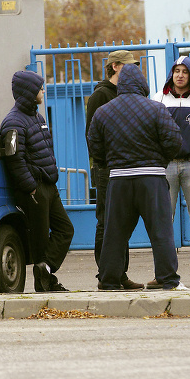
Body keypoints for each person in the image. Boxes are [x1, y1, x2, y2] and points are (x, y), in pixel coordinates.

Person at [87, 64, 187, 291]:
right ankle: (168, 279)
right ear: (142, 84)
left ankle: (109, 280)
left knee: (115, 233)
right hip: (151, 179)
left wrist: (109, 164)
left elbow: (94, 145)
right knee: (161, 231)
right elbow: (174, 141)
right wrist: (159, 162)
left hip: (119, 179)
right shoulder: (156, 109)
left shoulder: (103, 111)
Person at [0, 69, 74, 292]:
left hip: (49, 186)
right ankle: (45, 284)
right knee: (40, 240)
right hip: (35, 189)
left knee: (65, 230)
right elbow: (14, 160)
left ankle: (46, 269)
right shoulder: (13, 122)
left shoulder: (37, 117)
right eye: (39, 87)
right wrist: (31, 188)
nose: (43, 90)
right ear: (29, 92)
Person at [152, 55, 190, 287]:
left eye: (184, 71)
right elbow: (151, 132)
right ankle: (164, 273)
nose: (180, 75)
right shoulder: (159, 99)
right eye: (176, 71)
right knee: (163, 219)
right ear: (171, 74)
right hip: (165, 166)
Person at [85, 49, 144, 290]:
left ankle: (120, 273)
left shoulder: (127, 93)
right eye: (129, 65)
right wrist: (105, 162)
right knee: (106, 221)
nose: (135, 69)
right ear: (116, 66)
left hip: (125, 166)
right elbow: (92, 136)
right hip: (108, 169)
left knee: (123, 219)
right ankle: (106, 272)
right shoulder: (101, 95)